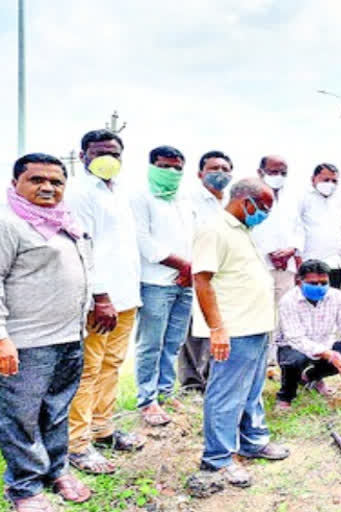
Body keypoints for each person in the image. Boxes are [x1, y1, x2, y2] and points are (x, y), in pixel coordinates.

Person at [0, 154, 93, 511]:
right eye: (36, 180)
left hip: (68, 336)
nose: (47, 188)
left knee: (56, 410)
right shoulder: (9, 224)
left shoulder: (64, 223)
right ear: (16, 184)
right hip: (26, 342)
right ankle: (24, 487)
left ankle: (57, 470)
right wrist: (2, 337)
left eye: (55, 182)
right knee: (20, 417)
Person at [193, 177, 289, 488]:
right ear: (245, 201)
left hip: (257, 325)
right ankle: (217, 458)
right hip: (234, 328)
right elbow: (202, 280)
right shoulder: (215, 229)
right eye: (263, 207)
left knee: (252, 389)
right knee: (226, 393)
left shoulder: (243, 230)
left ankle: (253, 440)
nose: (265, 214)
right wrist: (217, 328)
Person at [67, 129, 144, 474]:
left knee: (112, 365)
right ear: (83, 154)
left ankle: (103, 429)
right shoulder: (80, 193)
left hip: (126, 295)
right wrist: (100, 297)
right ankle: (77, 445)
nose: (106, 159)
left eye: (113, 153)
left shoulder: (120, 191)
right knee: (88, 370)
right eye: (98, 152)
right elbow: (84, 247)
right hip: (100, 300)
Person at [131, 146, 194, 426]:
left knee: (173, 342)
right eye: (164, 166)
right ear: (151, 166)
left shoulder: (183, 198)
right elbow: (144, 241)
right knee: (151, 343)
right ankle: (147, 400)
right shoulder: (140, 197)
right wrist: (182, 265)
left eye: (177, 167)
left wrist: (190, 269)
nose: (171, 172)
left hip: (186, 282)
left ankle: (166, 392)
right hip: (156, 282)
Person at [275, 260, 341, 410]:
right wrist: (332, 356)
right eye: (313, 283)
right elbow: (296, 339)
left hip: (325, 344)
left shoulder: (336, 296)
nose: (319, 287)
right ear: (299, 281)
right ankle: (286, 396)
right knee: (294, 361)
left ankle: (311, 377)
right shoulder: (288, 301)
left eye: (323, 282)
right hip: (294, 347)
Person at [178, 150, 234, 393]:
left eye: (224, 169)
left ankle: (215, 379)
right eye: (214, 169)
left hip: (225, 272)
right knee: (193, 329)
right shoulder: (188, 200)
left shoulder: (232, 200)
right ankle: (192, 383)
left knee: (218, 325)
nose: (219, 174)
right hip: (197, 269)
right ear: (200, 173)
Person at [253, 155, 303, 307]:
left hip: (286, 266)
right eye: (273, 172)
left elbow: (299, 228)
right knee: (258, 311)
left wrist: (292, 249)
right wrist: (271, 253)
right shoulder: (249, 195)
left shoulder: (292, 197)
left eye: (283, 173)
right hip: (258, 264)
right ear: (260, 172)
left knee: (284, 312)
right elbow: (245, 229)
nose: (278, 176)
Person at [299, 163, 341, 288]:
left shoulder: (340, 199)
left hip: (335, 263)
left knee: (333, 301)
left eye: (334, 181)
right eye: (326, 180)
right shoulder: (303, 198)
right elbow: (295, 227)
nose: (330, 184)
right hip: (310, 261)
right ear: (313, 179)